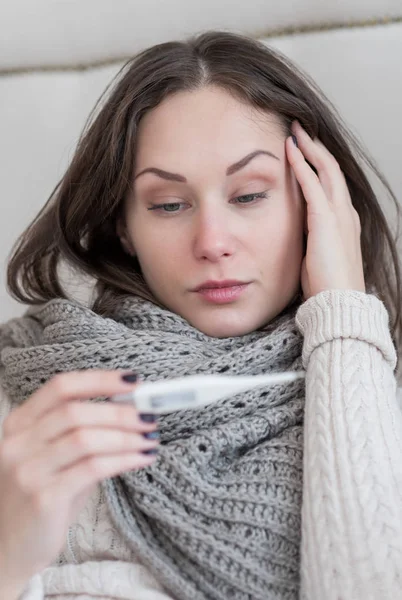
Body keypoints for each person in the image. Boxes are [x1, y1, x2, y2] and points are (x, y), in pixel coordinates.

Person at [0, 29, 401, 600]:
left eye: (249, 195)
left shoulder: (377, 396)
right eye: (168, 205)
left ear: (318, 205)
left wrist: (342, 313)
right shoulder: (25, 390)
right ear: (124, 226)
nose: (213, 241)